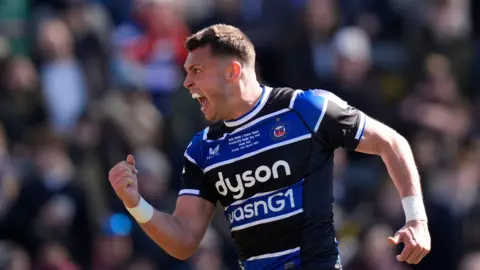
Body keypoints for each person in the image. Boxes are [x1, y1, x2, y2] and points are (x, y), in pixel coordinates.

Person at [108, 24, 431, 270]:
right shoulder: (202, 149)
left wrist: (416, 220)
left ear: (233, 71)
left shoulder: (306, 109)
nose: (187, 83)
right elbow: (183, 242)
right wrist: (136, 203)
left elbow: (392, 142)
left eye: (196, 71)